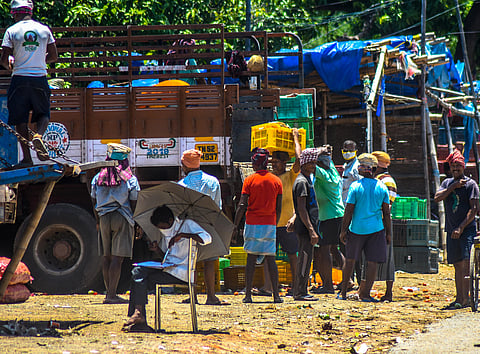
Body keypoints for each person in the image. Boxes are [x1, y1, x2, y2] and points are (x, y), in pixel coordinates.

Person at [124, 205, 212, 332]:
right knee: (137, 273)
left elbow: (207, 238)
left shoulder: (187, 225)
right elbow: (166, 256)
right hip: (168, 269)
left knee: (139, 279)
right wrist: (157, 250)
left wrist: (183, 235)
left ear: (170, 221)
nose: (162, 230)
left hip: (182, 272)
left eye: (163, 227)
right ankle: (139, 314)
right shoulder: (166, 232)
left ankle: (139, 317)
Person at [0, 0, 58, 166]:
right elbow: (54, 56)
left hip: (19, 79)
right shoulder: (44, 29)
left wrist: (12, 64)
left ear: (15, 13)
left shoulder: (11, 31)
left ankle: (27, 159)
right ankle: (39, 135)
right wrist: (39, 59)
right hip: (39, 78)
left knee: (21, 119)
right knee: (44, 113)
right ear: (30, 12)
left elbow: (4, 60)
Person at [177, 148, 229, 305]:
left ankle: (192, 295)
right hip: (208, 225)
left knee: (191, 263)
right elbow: (218, 206)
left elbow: (179, 210)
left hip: (189, 227)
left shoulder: (181, 184)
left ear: (185, 166)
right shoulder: (213, 181)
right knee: (209, 261)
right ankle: (211, 296)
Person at [91, 143, 140, 304]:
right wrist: (136, 222)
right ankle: (112, 295)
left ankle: (108, 293)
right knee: (117, 259)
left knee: (106, 257)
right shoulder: (129, 178)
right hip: (122, 217)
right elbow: (134, 202)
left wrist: (98, 221)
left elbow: (93, 201)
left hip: (104, 218)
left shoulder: (97, 178)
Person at [338, 153, 391, 302]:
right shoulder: (382, 187)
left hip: (357, 229)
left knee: (350, 260)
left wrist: (343, 230)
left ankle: (343, 293)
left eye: (361, 166)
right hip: (376, 229)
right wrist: (388, 233)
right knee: (372, 262)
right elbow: (386, 213)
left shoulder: (355, 186)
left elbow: (348, 210)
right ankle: (366, 294)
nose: (359, 168)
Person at [233, 148, 283, 304]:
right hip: (269, 223)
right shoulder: (276, 181)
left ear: (256, 164)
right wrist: (275, 221)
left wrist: (235, 225)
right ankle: (276, 295)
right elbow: (279, 206)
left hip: (253, 223)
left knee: (251, 258)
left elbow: (242, 204)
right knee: (270, 259)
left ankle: (248, 295)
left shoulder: (249, 180)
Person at [258, 128, 302, 296]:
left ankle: (297, 286)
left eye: (276, 161)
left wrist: (295, 138)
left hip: (287, 224)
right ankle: (268, 287)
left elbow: (299, 158)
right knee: (269, 256)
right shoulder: (269, 178)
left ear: (284, 163)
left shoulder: (290, 176)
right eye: (272, 162)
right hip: (271, 223)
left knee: (292, 255)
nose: (273, 164)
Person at [434, 149, 479, 309]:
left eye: (458, 167)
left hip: (466, 230)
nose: (455, 169)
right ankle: (459, 298)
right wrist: (452, 187)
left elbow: (473, 210)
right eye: (453, 167)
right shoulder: (447, 183)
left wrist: (460, 228)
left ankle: (466, 299)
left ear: (463, 167)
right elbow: (437, 198)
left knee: (466, 265)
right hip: (451, 230)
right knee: (457, 266)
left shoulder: (471, 185)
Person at [359, 151, 398, 302]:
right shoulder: (377, 180)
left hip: (380, 224)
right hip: (373, 223)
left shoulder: (386, 181)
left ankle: (388, 292)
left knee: (386, 259)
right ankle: (363, 290)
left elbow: (386, 207)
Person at [312, 145, 345, 294]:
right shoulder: (331, 168)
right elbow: (326, 157)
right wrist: (323, 150)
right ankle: (347, 280)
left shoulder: (324, 175)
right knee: (334, 249)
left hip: (329, 216)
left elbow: (305, 161)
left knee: (324, 250)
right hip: (336, 215)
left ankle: (328, 286)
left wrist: (317, 152)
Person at [292, 148, 320, 301]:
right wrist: (311, 230)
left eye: (314, 163)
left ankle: (302, 290)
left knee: (306, 258)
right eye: (310, 163)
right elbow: (301, 208)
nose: (313, 166)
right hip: (304, 228)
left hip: (307, 226)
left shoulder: (307, 179)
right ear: (303, 163)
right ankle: (300, 292)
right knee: (304, 259)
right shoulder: (302, 182)